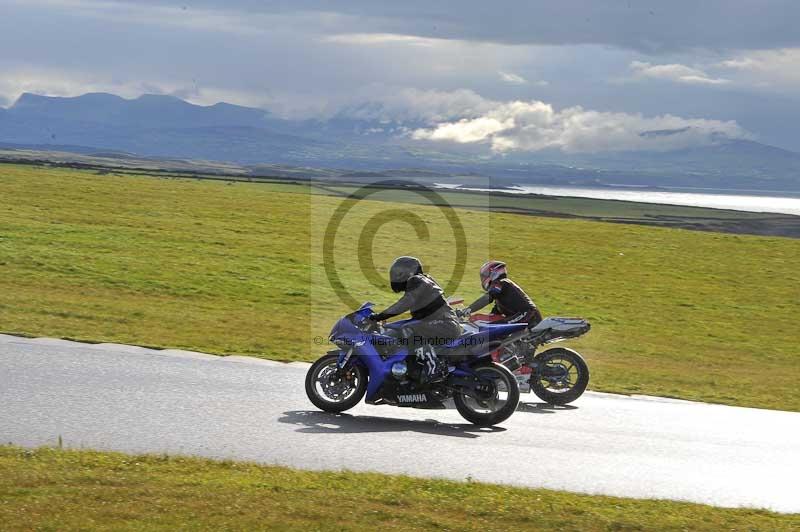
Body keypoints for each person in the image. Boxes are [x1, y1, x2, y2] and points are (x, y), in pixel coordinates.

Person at [368, 256, 462, 383]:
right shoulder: (422, 281)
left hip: (445, 325)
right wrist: (386, 325)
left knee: (408, 329)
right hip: (442, 324)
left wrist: (380, 316)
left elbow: (405, 303)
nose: (396, 275)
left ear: (408, 271)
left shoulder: (417, 280)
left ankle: (433, 366)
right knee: (396, 328)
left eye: (399, 272)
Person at [462, 260, 543, 326]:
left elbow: (487, 298)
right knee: (491, 326)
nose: (483, 278)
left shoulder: (501, 283)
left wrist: (467, 310)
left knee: (495, 328)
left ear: (493, 273)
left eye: (485, 275)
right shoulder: (502, 292)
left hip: (527, 314)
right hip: (527, 315)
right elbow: (494, 314)